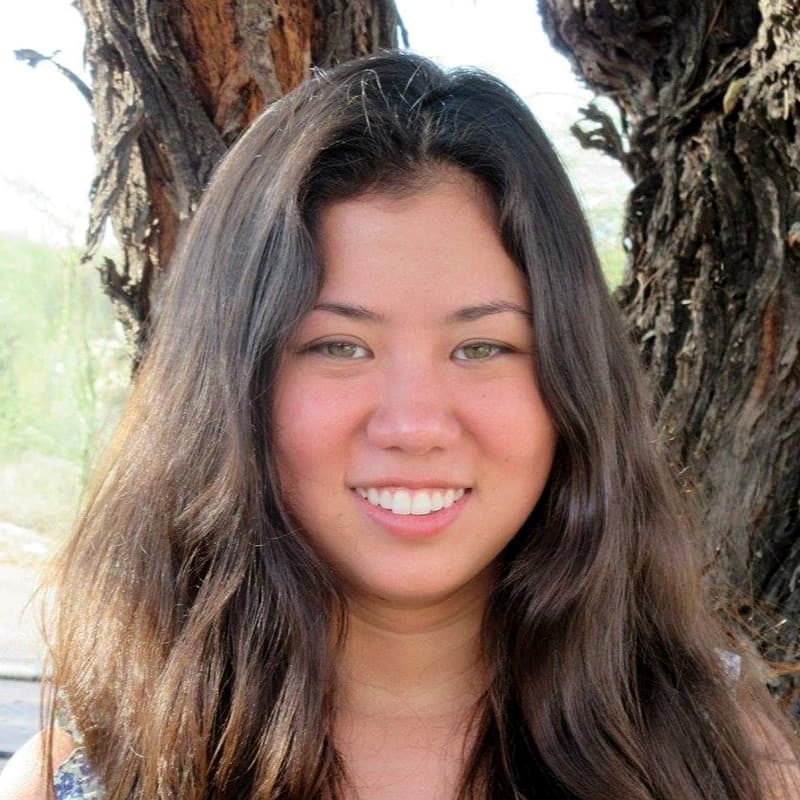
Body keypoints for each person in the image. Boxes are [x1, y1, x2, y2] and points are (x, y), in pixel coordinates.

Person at [1, 51, 798, 800]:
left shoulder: (725, 756)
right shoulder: (90, 774)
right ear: (230, 387)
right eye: (338, 345)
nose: (415, 425)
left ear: (574, 382)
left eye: (483, 346)